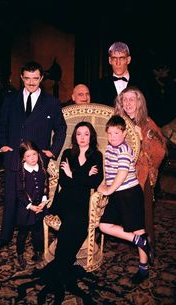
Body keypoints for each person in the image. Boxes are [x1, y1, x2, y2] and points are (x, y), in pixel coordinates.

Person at [0, 61, 67, 251]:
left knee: (38, 198)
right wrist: (2, 145)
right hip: (13, 158)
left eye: (35, 78)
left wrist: (53, 151)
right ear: (22, 78)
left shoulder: (51, 102)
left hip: (38, 161)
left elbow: (61, 128)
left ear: (41, 78)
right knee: (11, 199)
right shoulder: (10, 100)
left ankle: (39, 242)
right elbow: (1, 126)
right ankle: (5, 238)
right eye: (27, 78)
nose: (31, 82)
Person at [43, 121, 103, 287]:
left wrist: (72, 173)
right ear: (75, 136)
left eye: (86, 134)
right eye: (79, 134)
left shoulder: (97, 156)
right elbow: (64, 181)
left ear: (91, 137)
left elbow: (95, 181)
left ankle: (61, 264)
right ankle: (65, 265)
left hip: (84, 200)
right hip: (65, 199)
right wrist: (84, 175)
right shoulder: (68, 153)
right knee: (71, 220)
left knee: (78, 223)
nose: (82, 137)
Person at [98, 115, 153, 285]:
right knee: (103, 225)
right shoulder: (109, 148)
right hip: (117, 194)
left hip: (130, 194)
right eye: (110, 133)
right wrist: (103, 184)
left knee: (138, 228)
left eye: (116, 133)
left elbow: (121, 174)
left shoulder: (124, 149)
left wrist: (108, 189)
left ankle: (144, 268)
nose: (113, 136)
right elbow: (109, 172)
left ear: (124, 134)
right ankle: (138, 241)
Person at [114, 86, 167, 246]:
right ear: (120, 103)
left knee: (142, 215)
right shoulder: (116, 122)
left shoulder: (147, 123)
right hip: (117, 174)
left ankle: (146, 246)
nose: (128, 103)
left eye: (132, 99)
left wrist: (143, 139)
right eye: (125, 100)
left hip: (140, 176)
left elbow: (160, 153)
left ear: (139, 103)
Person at [16, 140, 49, 269]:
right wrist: (30, 206)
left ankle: (38, 253)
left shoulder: (42, 170)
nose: (32, 158)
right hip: (26, 209)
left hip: (39, 207)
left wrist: (44, 201)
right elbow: (19, 192)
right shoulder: (20, 173)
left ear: (38, 154)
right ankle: (20, 254)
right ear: (23, 158)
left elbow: (45, 187)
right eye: (28, 156)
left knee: (37, 232)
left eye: (34, 154)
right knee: (23, 233)